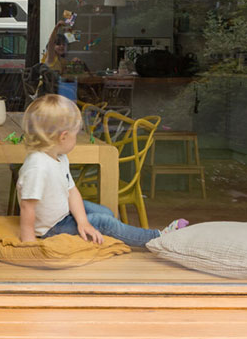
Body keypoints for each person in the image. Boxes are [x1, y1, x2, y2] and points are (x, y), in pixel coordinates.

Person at [16, 93, 188, 246]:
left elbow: (72, 191)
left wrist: (82, 222)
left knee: (105, 212)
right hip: (51, 228)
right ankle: (158, 237)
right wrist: (29, 241)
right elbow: (27, 206)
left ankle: (116, 233)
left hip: (63, 213)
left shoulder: (59, 157)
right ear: (63, 137)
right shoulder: (38, 166)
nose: (76, 139)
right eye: (75, 134)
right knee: (104, 221)